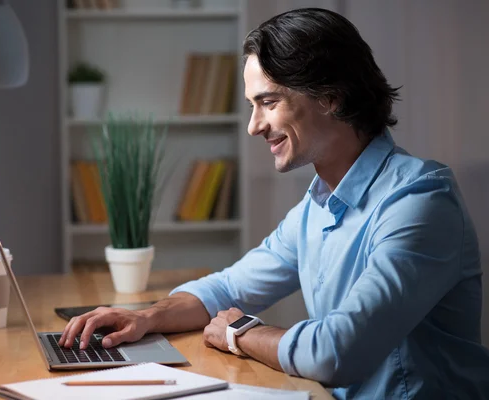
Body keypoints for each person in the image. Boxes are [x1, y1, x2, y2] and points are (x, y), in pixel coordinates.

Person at [60, 8, 489, 399]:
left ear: (330, 96)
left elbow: (335, 353)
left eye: (268, 102)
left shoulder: (419, 201)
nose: (253, 126)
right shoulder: (316, 206)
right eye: (252, 105)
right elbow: (227, 288)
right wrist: (146, 318)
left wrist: (240, 333)